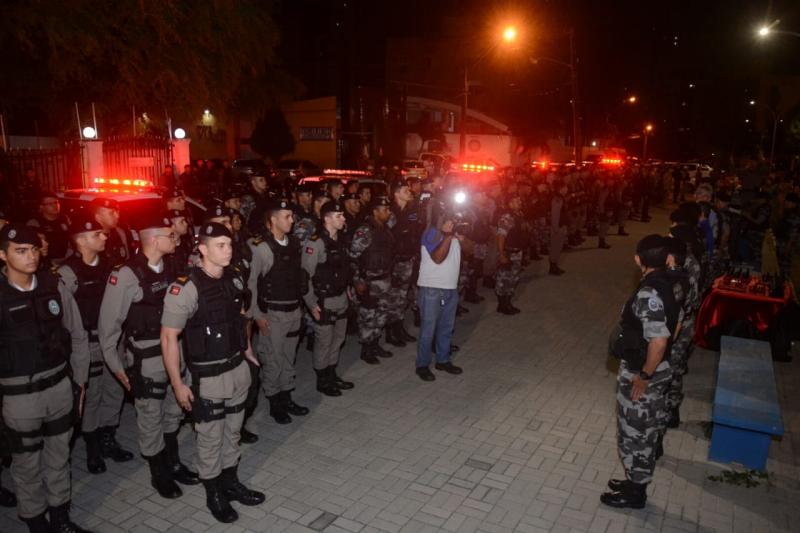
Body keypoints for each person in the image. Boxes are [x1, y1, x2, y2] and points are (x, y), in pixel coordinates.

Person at [161, 222, 265, 523]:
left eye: (230, 244)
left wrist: (247, 349)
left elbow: (240, 317)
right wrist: (178, 384)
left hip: (236, 369)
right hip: (207, 377)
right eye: (220, 245)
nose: (229, 250)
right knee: (210, 437)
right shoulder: (186, 287)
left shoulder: (233, 277)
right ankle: (214, 493)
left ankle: (230, 482)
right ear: (202, 249)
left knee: (233, 432)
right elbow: (169, 337)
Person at [97, 212, 198, 499]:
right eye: (170, 235)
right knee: (150, 416)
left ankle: (174, 461)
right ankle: (159, 473)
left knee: (175, 410)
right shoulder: (126, 275)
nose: (176, 239)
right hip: (146, 359)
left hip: (175, 352)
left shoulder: (172, 267)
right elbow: (108, 330)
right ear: (153, 239)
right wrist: (119, 371)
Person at [0, 223, 91, 533]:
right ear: (3, 255)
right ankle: (37, 523)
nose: (30, 256)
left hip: (59, 387)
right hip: (18, 396)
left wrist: (79, 382)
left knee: (59, 457)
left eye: (34, 249)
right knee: (26, 466)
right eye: (20, 251)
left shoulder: (54, 286)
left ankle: (61, 519)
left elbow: (77, 335)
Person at [603, 234, 678, 509]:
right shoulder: (669, 284)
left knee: (636, 432)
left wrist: (644, 376)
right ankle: (633, 480)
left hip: (645, 373)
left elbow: (659, 341)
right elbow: (676, 326)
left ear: (638, 259)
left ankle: (636, 493)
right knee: (641, 430)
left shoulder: (649, 292)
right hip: (656, 369)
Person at [58, 210, 132, 475]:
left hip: (113, 341)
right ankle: (92, 447)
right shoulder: (68, 273)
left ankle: (108, 437)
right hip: (87, 344)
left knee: (115, 391)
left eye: (102, 232)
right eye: (96, 234)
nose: (104, 236)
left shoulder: (110, 265)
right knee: (91, 396)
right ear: (80, 240)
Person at [247, 198, 309, 424]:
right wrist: (257, 316)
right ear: (273, 220)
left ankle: (286, 396)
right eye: (287, 216)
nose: (292, 220)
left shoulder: (293, 244)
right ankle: (275, 402)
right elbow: (251, 284)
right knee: (273, 360)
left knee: (289, 358)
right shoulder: (261, 248)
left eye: (292, 216)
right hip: (272, 314)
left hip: (293, 311)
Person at [301, 201, 355, 396]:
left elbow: (345, 270)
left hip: (341, 298)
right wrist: (311, 304)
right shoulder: (315, 243)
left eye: (342, 215)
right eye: (339, 216)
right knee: (324, 342)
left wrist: (348, 293)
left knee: (338, 339)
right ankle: (322, 380)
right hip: (323, 301)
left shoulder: (341, 240)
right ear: (326, 218)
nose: (343, 218)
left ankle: (332, 374)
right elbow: (305, 277)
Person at [415, 210, 464, 382]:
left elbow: (472, 250)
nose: (451, 223)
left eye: (453, 221)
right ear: (439, 220)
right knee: (428, 331)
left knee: (446, 329)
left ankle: (443, 360)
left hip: (450, 288)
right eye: (447, 220)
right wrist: (449, 238)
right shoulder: (432, 234)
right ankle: (422, 365)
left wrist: (461, 238)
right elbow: (437, 258)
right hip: (432, 289)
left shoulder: (452, 235)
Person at [348, 196, 395, 364]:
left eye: (389, 209)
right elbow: (353, 257)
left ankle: (375, 344)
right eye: (384, 210)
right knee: (368, 316)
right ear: (375, 212)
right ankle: (366, 349)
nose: (388, 213)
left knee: (382, 315)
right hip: (369, 281)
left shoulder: (386, 229)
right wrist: (357, 280)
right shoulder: (365, 230)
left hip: (384, 279)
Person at [385, 179, 421, 346]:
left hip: (408, 259)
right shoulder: (390, 213)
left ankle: (398, 328)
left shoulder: (410, 211)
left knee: (402, 297)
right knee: (393, 297)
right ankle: (390, 333)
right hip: (395, 262)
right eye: (406, 191)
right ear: (396, 193)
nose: (410, 193)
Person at [495, 193, 528, 314]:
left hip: (517, 251)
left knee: (513, 278)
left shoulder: (518, 215)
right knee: (504, 279)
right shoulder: (507, 217)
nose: (519, 202)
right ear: (509, 203)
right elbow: (500, 236)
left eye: (519, 200)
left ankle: (507, 303)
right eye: (515, 201)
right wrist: (502, 254)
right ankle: (503, 304)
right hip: (509, 252)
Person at [27, 191, 71, 264]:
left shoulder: (64, 219)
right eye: (50, 204)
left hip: (67, 260)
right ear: (41, 207)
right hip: (48, 263)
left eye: (56, 202)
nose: (55, 206)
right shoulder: (35, 223)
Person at [90, 198, 132, 265]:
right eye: (112, 213)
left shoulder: (120, 233)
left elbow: (127, 260)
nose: (117, 216)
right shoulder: (91, 241)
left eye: (117, 212)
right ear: (98, 218)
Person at [548, 181, 568, 276]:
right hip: (558, 227)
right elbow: (555, 215)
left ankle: (555, 265)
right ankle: (552, 266)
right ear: (560, 188)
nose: (566, 189)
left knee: (558, 247)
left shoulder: (561, 198)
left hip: (561, 226)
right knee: (555, 247)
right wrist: (556, 228)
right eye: (565, 187)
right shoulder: (557, 199)